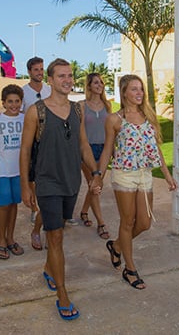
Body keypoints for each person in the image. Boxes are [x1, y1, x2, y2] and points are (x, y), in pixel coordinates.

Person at [20, 58, 102, 321]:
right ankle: (63, 294)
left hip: (71, 183)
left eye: (70, 76)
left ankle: (48, 268)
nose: (67, 80)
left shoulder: (77, 110)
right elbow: (24, 151)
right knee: (55, 237)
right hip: (47, 183)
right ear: (51, 80)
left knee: (60, 230)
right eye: (61, 76)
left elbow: (84, 146)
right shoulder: (36, 111)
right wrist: (26, 185)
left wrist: (96, 172)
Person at [92, 74, 177, 290]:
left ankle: (117, 246)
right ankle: (129, 270)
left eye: (141, 89)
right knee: (127, 222)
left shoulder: (148, 115)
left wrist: (167, 175)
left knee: (145, 223)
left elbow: (156, 147)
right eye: (134, 89)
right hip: (124, 174)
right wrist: (98, 176)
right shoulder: (114, 120)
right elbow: (107, 150)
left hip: (145, 174)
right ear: (124, 93)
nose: (139, 93)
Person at [0, 84, 26, 260]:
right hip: (2, 171)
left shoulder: (25, 119)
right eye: (10, 101)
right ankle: (1, 239)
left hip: (19, 171)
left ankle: (11, 238)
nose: (14, 105)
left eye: (17, 101)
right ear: (3, 103)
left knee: (14, 204)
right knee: (4, 205)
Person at [21, 57, 51, 250]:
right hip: (32, 141)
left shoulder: (49, 89)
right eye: (36, 69)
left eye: (41, 69)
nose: (40, 72)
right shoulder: (24, 92)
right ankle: (34, 208)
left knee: (46, 180)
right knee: (32, 177)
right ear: (29, 72)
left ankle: (45, 217)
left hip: (49, 141)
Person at [77, 72, 112, 240]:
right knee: (95, 186)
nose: (99, 85)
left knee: (95, 186)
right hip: (87, 150)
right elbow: (80, 132)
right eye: (96, 82)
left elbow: (110, 130)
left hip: (104, 150)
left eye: (101, 82)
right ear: (89, 85)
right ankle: (101, 223)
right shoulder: (82, 106)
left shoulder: (108, 105)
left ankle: (84, 211)